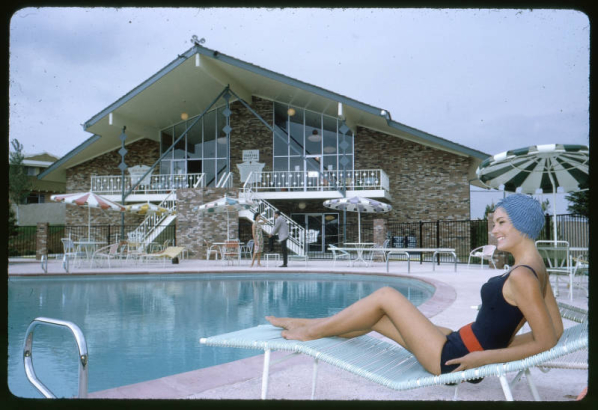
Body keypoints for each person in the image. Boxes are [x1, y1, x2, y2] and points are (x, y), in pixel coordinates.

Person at [267, 194, 563, 376]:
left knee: (386, 296)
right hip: (457, 341)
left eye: (500, 222)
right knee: (375, 318)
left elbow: (546, 340)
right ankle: (306, 323)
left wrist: (484, 358)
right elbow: (557, 331)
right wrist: (502, 344)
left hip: (452, 357)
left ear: (522, 224)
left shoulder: (524, 275)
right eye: (494, 223)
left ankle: (309, 332)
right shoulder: (537, 268)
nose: (493, 230)